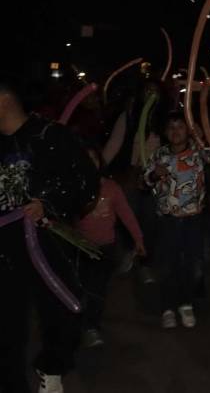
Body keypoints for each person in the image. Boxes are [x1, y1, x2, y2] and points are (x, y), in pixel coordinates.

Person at [0, 78, 98, 393]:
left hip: (47, 242)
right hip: (5, 250)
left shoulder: (49, 136)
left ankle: (52, 366)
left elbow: (85, 182)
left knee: (61, 313)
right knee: (6, 323)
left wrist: (48, 203)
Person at [143, 111, 210, 330]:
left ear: (188, 130)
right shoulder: (160, 154)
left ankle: (186, 303)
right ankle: (167, 307)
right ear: (165, 132)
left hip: (194, 218)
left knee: (193, 263)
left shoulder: (198, 152)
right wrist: (154, 174)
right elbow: (145, 179)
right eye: (171, 127)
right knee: (168, 264)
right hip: (168, 220)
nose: (176, 132)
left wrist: (202, 136)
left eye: (180, 127)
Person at [77, 153, 145, 347]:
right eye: (85, 157)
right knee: (80, 286)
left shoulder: (111, 188)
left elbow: (126, 214)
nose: (90, 162)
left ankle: (91, 327)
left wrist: (138, 239)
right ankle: (77, 321)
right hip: (79, 248)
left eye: (94, 158)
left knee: (97, 289)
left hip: (105, 248)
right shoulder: (73, 186)